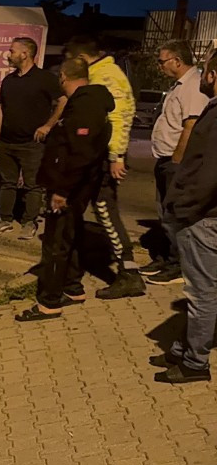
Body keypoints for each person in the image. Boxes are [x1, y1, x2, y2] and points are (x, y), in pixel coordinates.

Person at [16, 58, 113, 322]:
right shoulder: (86, 103)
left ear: (63, 77)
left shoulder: (85, 106)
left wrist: (61, 191)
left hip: (69, 188)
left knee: (55, 243)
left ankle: (49, 303)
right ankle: (72, 287)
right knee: (70, 235)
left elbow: (79, 153)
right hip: (75, 185)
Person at [63, 36, 146, 299]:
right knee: (99, 211)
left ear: (82, 58)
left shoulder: (107, 76)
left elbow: (119, 116)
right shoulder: (101, 73)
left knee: (105, 211)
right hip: (97, 155)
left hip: (103, 158)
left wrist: (116, 156)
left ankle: (129, 275)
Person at [154, 49, 217, 384]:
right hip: (205, 215)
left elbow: (208, 175)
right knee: (204, 291)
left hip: (204, 218)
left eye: (205, 70)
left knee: (203, 292)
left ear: (213, 76)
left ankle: (195, 363)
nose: (202, 75)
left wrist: (182, 208)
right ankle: (183, 347)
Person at [144, 39, 210, 286]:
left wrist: (177, 161)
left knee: (174, 215)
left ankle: (176, 265)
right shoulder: (179, 86)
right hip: (165, 159)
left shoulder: (192, 86)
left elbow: (191, 125)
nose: (159, 66)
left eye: (162, 61)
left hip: (175, 163)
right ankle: (164, 258)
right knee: (165, 214)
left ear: (177, 60)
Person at [0, 36, 68, 240]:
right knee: (7, 182)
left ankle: (29, 222)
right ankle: (4, 219)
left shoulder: (44, 78)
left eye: (12, 51)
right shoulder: (9, 80)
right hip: (6, 142)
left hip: (32, 144)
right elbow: (0, 106)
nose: (9, 54)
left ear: (25, 54)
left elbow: (63, 100)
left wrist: (48, 125)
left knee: (33, 184)